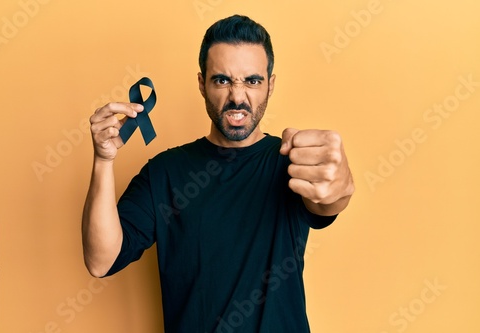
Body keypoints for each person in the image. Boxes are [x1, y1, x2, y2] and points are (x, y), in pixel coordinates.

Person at [82, 14, 354, 333]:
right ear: (202, 83)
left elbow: (330, 200)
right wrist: (103, 159)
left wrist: (340, 185)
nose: (237, 97)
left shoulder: (291, 161)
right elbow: (101, 260)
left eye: (252, 80)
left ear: (271, 84)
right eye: (222, 80)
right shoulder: (165, 172)